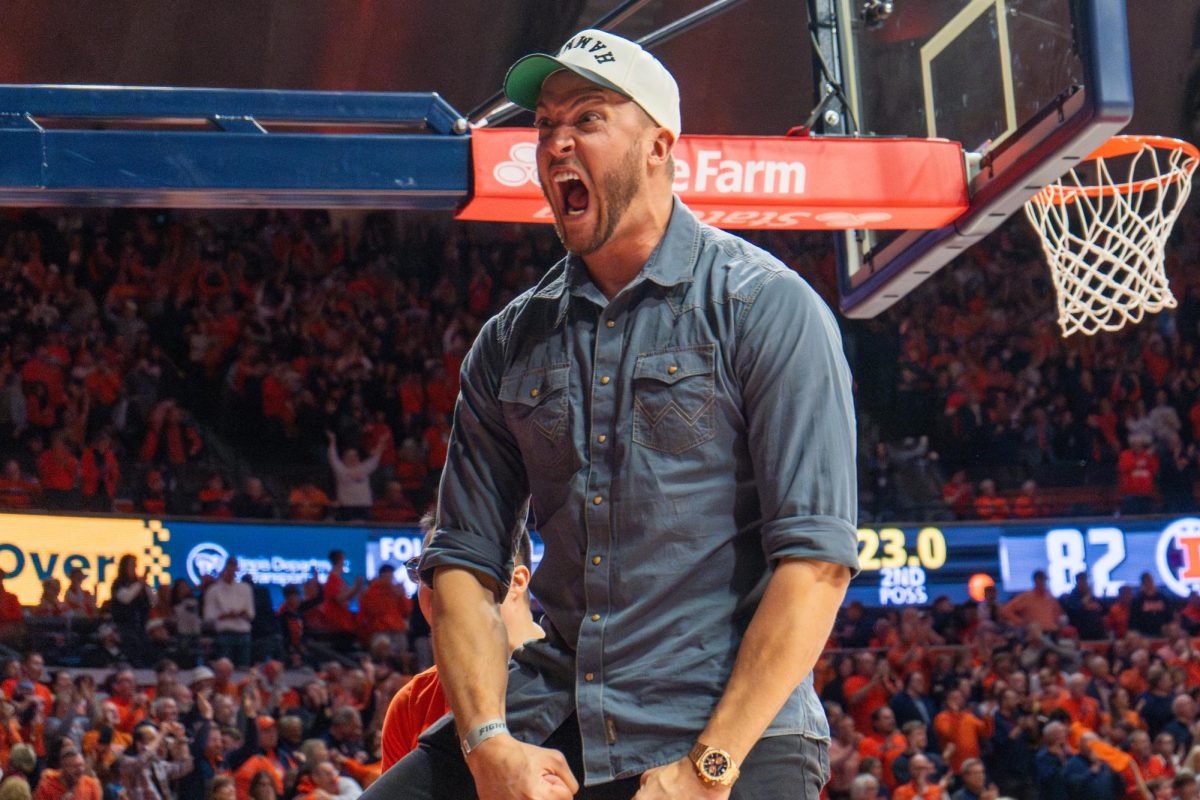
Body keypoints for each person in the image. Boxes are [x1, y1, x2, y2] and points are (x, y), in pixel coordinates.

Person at [363, 26, 857, 800]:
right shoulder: (509, 341)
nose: (557, 142)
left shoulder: (766, 307)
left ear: (660, 145)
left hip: (730, 729)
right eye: (545, 124)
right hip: (548, 710)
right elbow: (461, 559)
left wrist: (709, 767)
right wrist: (488, 743)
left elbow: (817, 562)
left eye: (587, 119)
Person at [380, 515, 543, 768]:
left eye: (456, 569)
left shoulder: (582, 681)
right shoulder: (412, 704)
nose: (440, 586)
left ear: (515, 581)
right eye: (427, 572)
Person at [202, 556, 254, 666]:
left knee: (243, 669)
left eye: (234, 566)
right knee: (224, 668)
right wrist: (225, 616)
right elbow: (208, 617)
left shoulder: (245, 588)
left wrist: (239, 614)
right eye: (229, 566)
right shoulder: (213, 590)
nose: (231, 570)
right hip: (224, 634)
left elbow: (251, 613)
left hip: (243, 633)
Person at [32, 749, 101, 800]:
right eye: (75, 766)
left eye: (81, 765)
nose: (80, 769)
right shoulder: (46, 787)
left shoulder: (91, 785)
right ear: (63, 767)